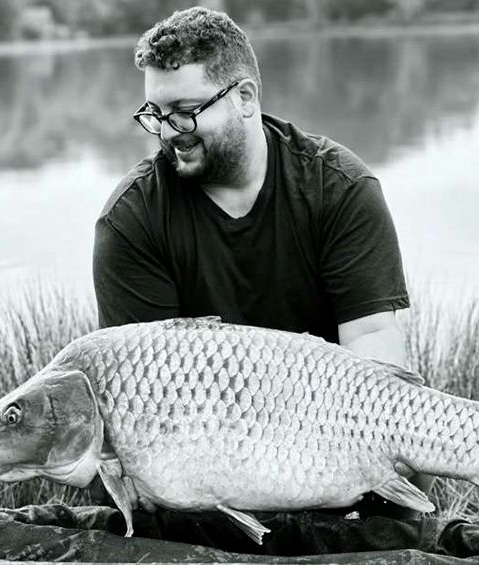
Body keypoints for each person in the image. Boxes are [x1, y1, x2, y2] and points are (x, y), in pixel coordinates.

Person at [92, 5, 431, 530]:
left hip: (335, 437)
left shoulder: (339, 188)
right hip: (204, 458)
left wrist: (337, 460)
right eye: (155, 113)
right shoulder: (131, 221)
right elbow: (139, 411)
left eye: (186, 110)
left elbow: (373, 342)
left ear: (245, 97)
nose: (166, 132)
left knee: (403, 466)